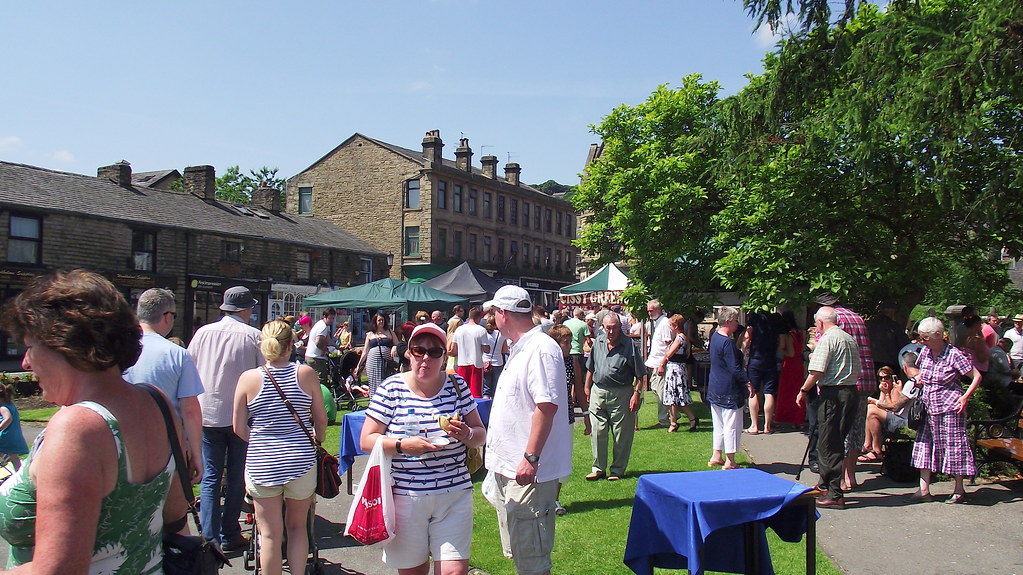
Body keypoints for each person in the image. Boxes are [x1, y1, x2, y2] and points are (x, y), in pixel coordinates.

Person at [0, 269, 187, 572]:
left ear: (63, 344)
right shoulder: (156, 402)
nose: (25, 362)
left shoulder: (76, 428)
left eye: (30, 346)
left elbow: (58, 570)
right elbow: (177, 516)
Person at [360, 322, 486, 575]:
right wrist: (402, 445)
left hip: (454, 494)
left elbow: (480, 435)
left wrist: (467, 434)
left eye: (434, 352)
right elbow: (366, 440)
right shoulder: (391, 388)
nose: (425, 358)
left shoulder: (458, 386)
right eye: (419, 350)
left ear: (444, 356)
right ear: (409, 353)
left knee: (454, 571)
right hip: (406, 497)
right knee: (413, 571)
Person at [484, 285, 571, 575]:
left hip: (528, 474)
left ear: (502, 314)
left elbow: (546, 407)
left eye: (493, 312)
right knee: (521, 554)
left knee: (532, 561)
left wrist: (530, 457)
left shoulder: (540, 349)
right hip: (510, 468)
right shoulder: (522, 348)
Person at [234, 320, 326, 575]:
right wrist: (317, 439)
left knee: (269, 534)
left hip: (262, 463)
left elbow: (239, 428)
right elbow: (320, 419)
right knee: (297, 527)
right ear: (290, 346)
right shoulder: (306, 374)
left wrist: (261, 442)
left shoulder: (248, 379)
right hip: (300, 460)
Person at [188, 285, 264, 550]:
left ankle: (209, 537)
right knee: (235, 476)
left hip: (206, 413)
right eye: (251, 307)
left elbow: (191, 369)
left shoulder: (202, 334)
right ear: (245, 308)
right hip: (238, 415)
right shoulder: (253, 336)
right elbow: (263, 376)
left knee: (210, 477)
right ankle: (229, 532)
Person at [122, 287, 205, 483]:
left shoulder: (118, 349)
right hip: (167, 450)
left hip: (122, 446)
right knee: (170, 512)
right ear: (167, 316)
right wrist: (195, 454)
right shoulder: (177, 354)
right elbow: (190, 411)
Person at [910, 317, 982, 504]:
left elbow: (976, 376)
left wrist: (965, 397)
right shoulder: (925, 352)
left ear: (938, 336)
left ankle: (959, 489)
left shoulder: (954, 354)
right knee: (924, 445)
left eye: (925, 338)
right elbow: (922, 373)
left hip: (950, 408)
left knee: (954, 446)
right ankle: (924, 489)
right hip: (928, 406)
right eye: (921, 337)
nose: (922, 341)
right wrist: (920, 379)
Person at [796, 306, 861, 509]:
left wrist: (803, 390)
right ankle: (825, 484)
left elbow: (816, 370)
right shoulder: (848, 338)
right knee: (836, 438)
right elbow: (858, 367)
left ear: (820, 323)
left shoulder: (827, 339)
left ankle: (834, 493)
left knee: (828, 442)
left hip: (834, 393)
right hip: (850, 392)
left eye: (816, 324)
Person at [585, 312, 645, 481]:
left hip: (621, 392)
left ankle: (617, 470)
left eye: (614, 328)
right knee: (597, 431)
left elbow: (640, 375)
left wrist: (636, 394)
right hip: (598, 390)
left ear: (620, 327)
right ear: (603, 327)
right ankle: (598, 468)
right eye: (608, 328)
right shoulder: (599, 341)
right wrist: (587, 387)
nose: (611, 332)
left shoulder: (629, 345)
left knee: (621, 434)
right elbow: (591, 367)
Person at [546, 325, 588, 515]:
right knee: (546, 456)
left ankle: (554, 499)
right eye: (566, 342)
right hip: (547, 417)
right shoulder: (545, 360)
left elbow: (579, 388)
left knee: (562, 456)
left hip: (567, 416)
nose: (569, 346)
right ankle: (542, 498)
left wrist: (586, 415)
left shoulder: (572, 362)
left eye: (570, 342)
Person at [707, 306, 754, 470]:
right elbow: (735, 368)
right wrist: (748, 382)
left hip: (715, 386)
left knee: (718, 423)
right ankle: (730, 460)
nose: (737, 324)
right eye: (735, 320)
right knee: (732, 425)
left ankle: (716, 455)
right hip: (729, 389)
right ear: (727, 321)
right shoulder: (726, 342)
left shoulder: (715, 337)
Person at [859, 365, 918, 462]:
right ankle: (869, 445)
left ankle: (875, 449)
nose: (884, 380)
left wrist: (886, 394)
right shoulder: (885, 389)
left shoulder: (896, 389)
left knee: (872, 410)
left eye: (886, 377)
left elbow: (893, 409)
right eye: (881, 378)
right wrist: (883, 393)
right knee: (871, 410)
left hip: (901, 420)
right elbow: (882, 406)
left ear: (892, 377)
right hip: (891, 418)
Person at [657, 314, 699, 432]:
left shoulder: (679, 339)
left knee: (677, 396)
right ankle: (675, 422)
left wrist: (661, 365)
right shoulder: (684, 338)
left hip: (675, 369)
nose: (669, 327)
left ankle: (687, 419)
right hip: (679, 368)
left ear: (675, 326)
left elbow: (669, 354)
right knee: (675, 397)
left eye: (671, 325)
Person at [744, 311, 779, 434]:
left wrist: (742, 350)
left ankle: (754, 425)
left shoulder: (754, 317)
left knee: (753, 391)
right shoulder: (776, 318)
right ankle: (767, 426)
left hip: (756, 358)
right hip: (771, 359)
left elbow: (748, 336)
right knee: (769, 393)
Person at [354, 312, 400, 397]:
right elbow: (365, 351)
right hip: (372, 362)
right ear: (375, 321)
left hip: (386, 362)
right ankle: (374, 400)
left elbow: (398, 345)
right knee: (374, 382)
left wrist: (394, 347)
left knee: (386, 381)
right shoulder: (370, 334)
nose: (381, 322)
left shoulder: (390, 332)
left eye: (382, 320)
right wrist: (358, 365)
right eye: (379, 320)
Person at [643, 300, 673, 429]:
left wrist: (663, 364)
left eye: (651, 310)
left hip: (660, 363)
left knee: (661, 392)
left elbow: (669, 346)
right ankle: (672, 414)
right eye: (648, 310)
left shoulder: (664, 323)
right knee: (656, 389)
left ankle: (664, 420)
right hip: (655, 362)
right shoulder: (658, 322)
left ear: (659, 310)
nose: (649, 313)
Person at [448, 306, 490, 398]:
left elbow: (454, 349)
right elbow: (487, 350)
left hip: (462, 363)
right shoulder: (481, 330)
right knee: (476, 394)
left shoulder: (459, 330)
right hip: (476, 364)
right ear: (479, 318)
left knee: (461, 393)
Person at [774, 310, 806, 427]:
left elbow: (790, 353)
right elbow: (800, 349)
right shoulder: (801, 333)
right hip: (799, 364)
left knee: (785, 392)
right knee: (798, 391)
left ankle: (782, 418)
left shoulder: (788, 335)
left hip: (789, 365)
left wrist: (779, 349)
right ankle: (798, 419)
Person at [305, 308, 337, 391]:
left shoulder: (322, 325)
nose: (332, 320)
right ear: (324, 317)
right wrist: (325, 350)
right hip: (316, 358)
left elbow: (328, 339)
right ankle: (321, 400)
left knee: (312, 381)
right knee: (321, 381)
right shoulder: (322, 326)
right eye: (330, 318)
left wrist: (336, 346)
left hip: (311, 356)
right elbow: (318, 342)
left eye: (333, 318)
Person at [0, 384, 28, 471]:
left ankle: (5, 459)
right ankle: (18, 473)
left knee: (6, 452)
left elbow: (8, 418)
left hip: (5, 435)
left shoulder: (3, 408)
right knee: (14, 457)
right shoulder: (10, 404)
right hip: (14, 434)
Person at [482, 315, 509, 399]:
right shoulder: (501, 335)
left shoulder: (483, 334)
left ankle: (486, 405)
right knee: (496, 387)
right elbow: (504, 350)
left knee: (486, 388)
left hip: (485, 362)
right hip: (498, 362)